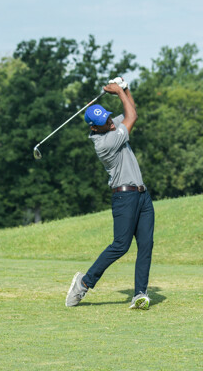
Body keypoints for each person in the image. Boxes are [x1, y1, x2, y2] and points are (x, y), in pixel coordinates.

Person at [65, 77, 154, 309]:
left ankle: (140, 294)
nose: (110, 123)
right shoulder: (104, 143)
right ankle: (84, 283)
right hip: (124, 197)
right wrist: (118, 92)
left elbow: (131, 112)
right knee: (121, 245)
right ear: (94, 128)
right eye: (104, 122)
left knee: (146, 244)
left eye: (108, 117)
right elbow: (131, 118)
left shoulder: (109, 125)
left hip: (142, 195)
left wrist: (125, 89)